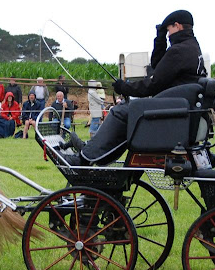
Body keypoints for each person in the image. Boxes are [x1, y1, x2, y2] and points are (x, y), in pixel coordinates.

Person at [64, 10, 206, 165]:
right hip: (179, 110)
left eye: (168, 30)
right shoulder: (193, 47)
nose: (168, 35)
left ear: (177, 26)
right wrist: (160, 40)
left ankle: (85, 158)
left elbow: (153, 84)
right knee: (128, 114)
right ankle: (95, 154)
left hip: (171, 113)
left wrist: (124, 87)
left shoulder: (179, 51)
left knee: (121, 111)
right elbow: (159, 66)